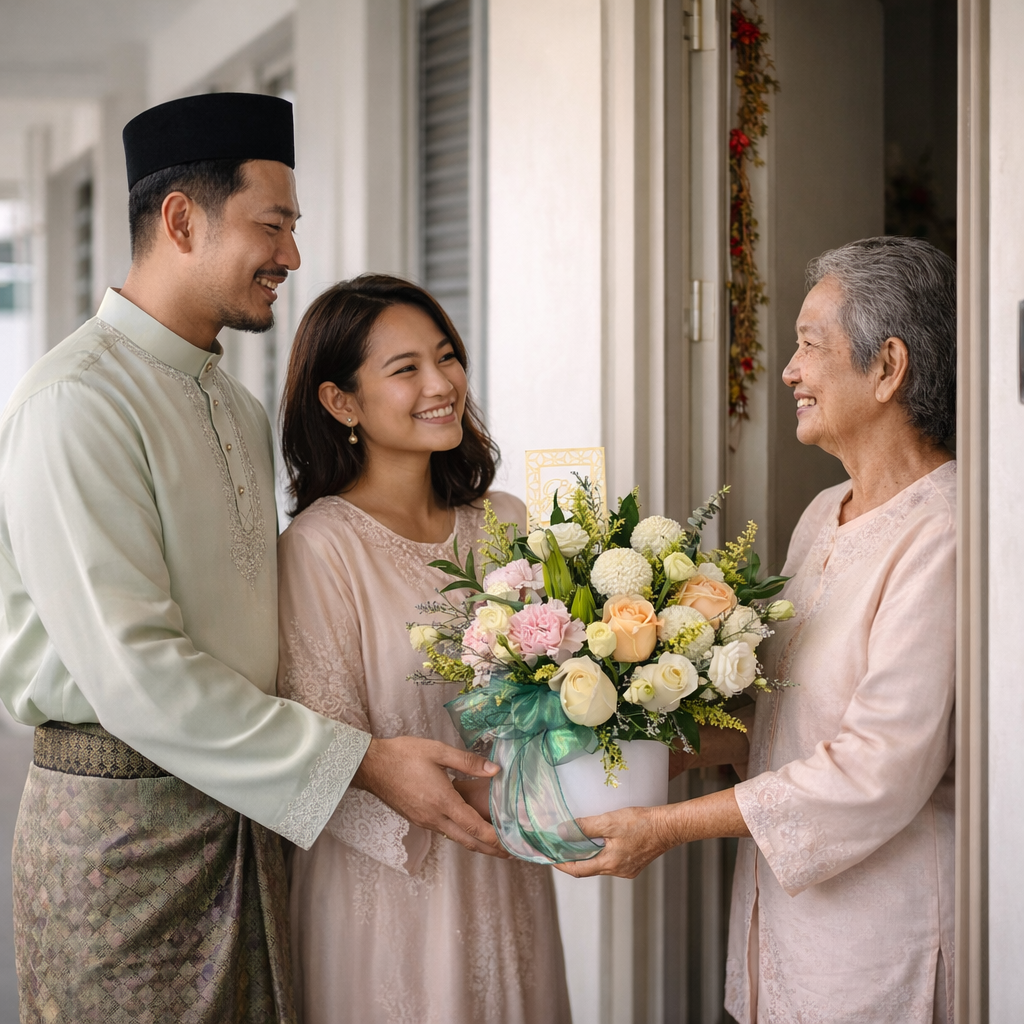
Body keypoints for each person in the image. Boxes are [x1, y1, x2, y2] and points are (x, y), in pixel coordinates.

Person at [0, 94, 504, 1024]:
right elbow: (134, 670)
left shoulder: (231, 404)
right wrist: (358, 760)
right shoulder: (76, 403)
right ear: (181, 220)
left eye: (294, 228)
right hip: (122, 840)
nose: (294, 258)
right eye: (272, 226)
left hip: (247, 819)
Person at [559, 236, 957, 1024]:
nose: (790, 372)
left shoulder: (946, 531)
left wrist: (663, 829)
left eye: (810, 345)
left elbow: (877, 771)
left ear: (888, 367)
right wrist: (648, 756)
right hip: (785, 925)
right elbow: (780, 722)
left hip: (879, 933)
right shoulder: (823, 513)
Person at [276, 274, 571, 1024]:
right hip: (385, 896)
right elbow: (320, 753)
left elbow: (553, 694)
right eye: (405, 369)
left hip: (507, 873)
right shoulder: (319, 548)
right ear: (341, 401)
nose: (442, 384)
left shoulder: (504, 521)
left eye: (447, 357)